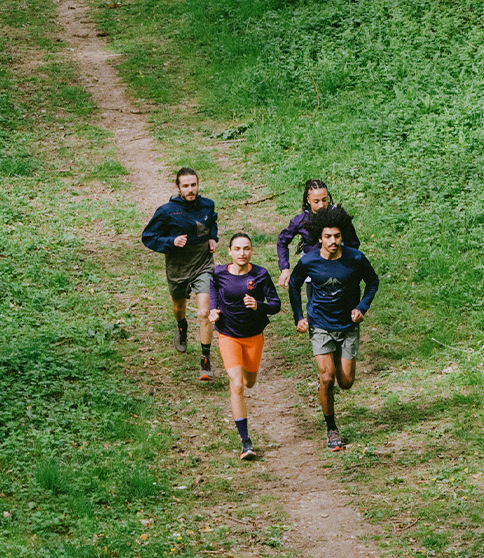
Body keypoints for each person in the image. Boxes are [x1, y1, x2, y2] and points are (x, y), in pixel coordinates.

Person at [288, 207, 377, 451]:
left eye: (337, 236)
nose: (333, 241)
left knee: (346, 382)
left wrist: (362, 307)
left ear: (342, 237)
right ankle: (331, 429)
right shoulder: (309, 261)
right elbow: (293, 286)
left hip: (348, 326)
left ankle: (331, 370)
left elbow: (372, 281)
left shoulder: (355, 258)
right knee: (326, 377)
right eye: (328, 236)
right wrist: (299, 317)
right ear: (320, 238)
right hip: (321, 325)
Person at [208, 233, 281, 460]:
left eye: (246, 248)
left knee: (249, 382)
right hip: (228, 335)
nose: (242, 253)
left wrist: (258, 305)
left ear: (252, 251)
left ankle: (245, 438)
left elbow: (276, 305)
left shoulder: (260, 275)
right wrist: (213, 309)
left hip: (253, 336)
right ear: (229, 251)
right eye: (237, 249)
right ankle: (245, 441)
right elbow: (213, 293)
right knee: (237, 384)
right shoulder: (219, 273)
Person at [141, 168, 219, 380]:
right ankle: (182, 326)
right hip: (178, 266)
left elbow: (211, 223)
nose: (190, 189)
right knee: (179, 307)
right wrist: (170, 242)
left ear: (198, 184)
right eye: (185, 186)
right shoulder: (167, 211)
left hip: (203, 264)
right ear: (178, 187)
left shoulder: (207, 205)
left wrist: (213, 238)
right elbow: (148, 236)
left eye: (193, 185)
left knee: (204, 312)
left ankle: (205, 361)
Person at [276, 179, 360, 289]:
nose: (321, 205)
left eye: (324, 200)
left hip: (338, 268)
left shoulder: (339, 217)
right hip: (313, 272)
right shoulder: (301, 221)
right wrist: (285, 268)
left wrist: (348, 265)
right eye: (316, 201)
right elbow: (282, 241)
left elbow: (353, 243)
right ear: (308, 200)